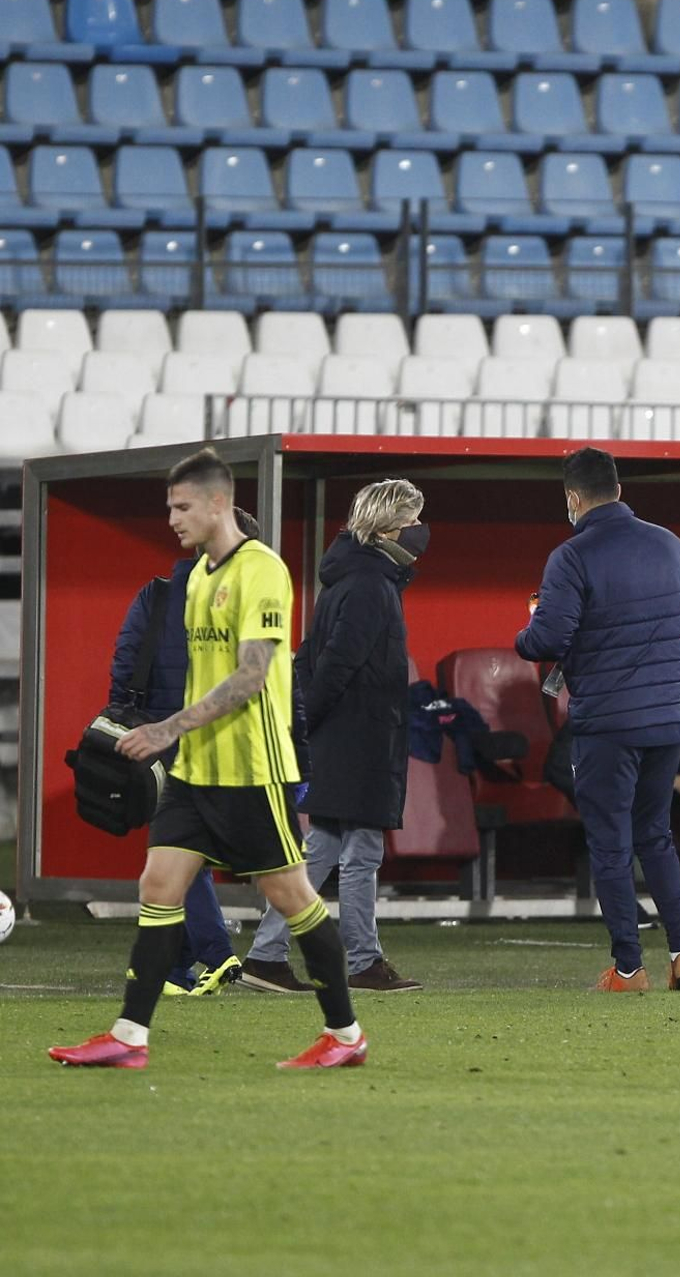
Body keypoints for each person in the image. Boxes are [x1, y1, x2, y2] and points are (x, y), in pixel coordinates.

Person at [49, 447, 365, 1069]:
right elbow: (203, 677)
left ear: (218, 503)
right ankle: (129, 1036)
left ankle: (346, 1034)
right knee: (158, 884)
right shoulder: (197, 579)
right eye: (170, 507)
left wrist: (166, 728)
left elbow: (252, 675)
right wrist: (175, 742)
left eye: (182, 506)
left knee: (291, 897)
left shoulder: (262, 570)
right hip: (194, 771)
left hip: (251, 770)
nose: (172, 519)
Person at [515, 447, 680, 993]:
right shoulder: (670, 544)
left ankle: (628, 968)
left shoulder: (570, 557)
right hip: (667, 716)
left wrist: (527, 628)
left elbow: (547, 639)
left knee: (610, 843)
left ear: (573, 498)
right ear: (618, 489)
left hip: (607, 722)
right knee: (656, 835)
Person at [242, 479, 429, 995]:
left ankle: (266, 954)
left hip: (341, 735)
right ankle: (364, 961)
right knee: (362, 853)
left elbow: (310, 655)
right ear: (388, 527)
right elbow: (338, 664)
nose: (420, 531)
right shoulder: (372, 584)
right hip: (360, 738)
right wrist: (306, 722)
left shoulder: (347, 578)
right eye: (412, 521)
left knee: (321, 847)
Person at [109, 508, 262, 998]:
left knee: (177, 848)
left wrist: (122, 723)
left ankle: (203, 956)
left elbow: (126, 663)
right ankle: (185, 964)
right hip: (220, 740)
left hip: (157, 738)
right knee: (184, 849)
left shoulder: (156, 595)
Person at [545, 671, 680, 927]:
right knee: (617, 800)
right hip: (601, 775)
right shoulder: (615, 681)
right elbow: (571, 763)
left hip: (650, 779)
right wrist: (673, 781)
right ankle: (624, 906)